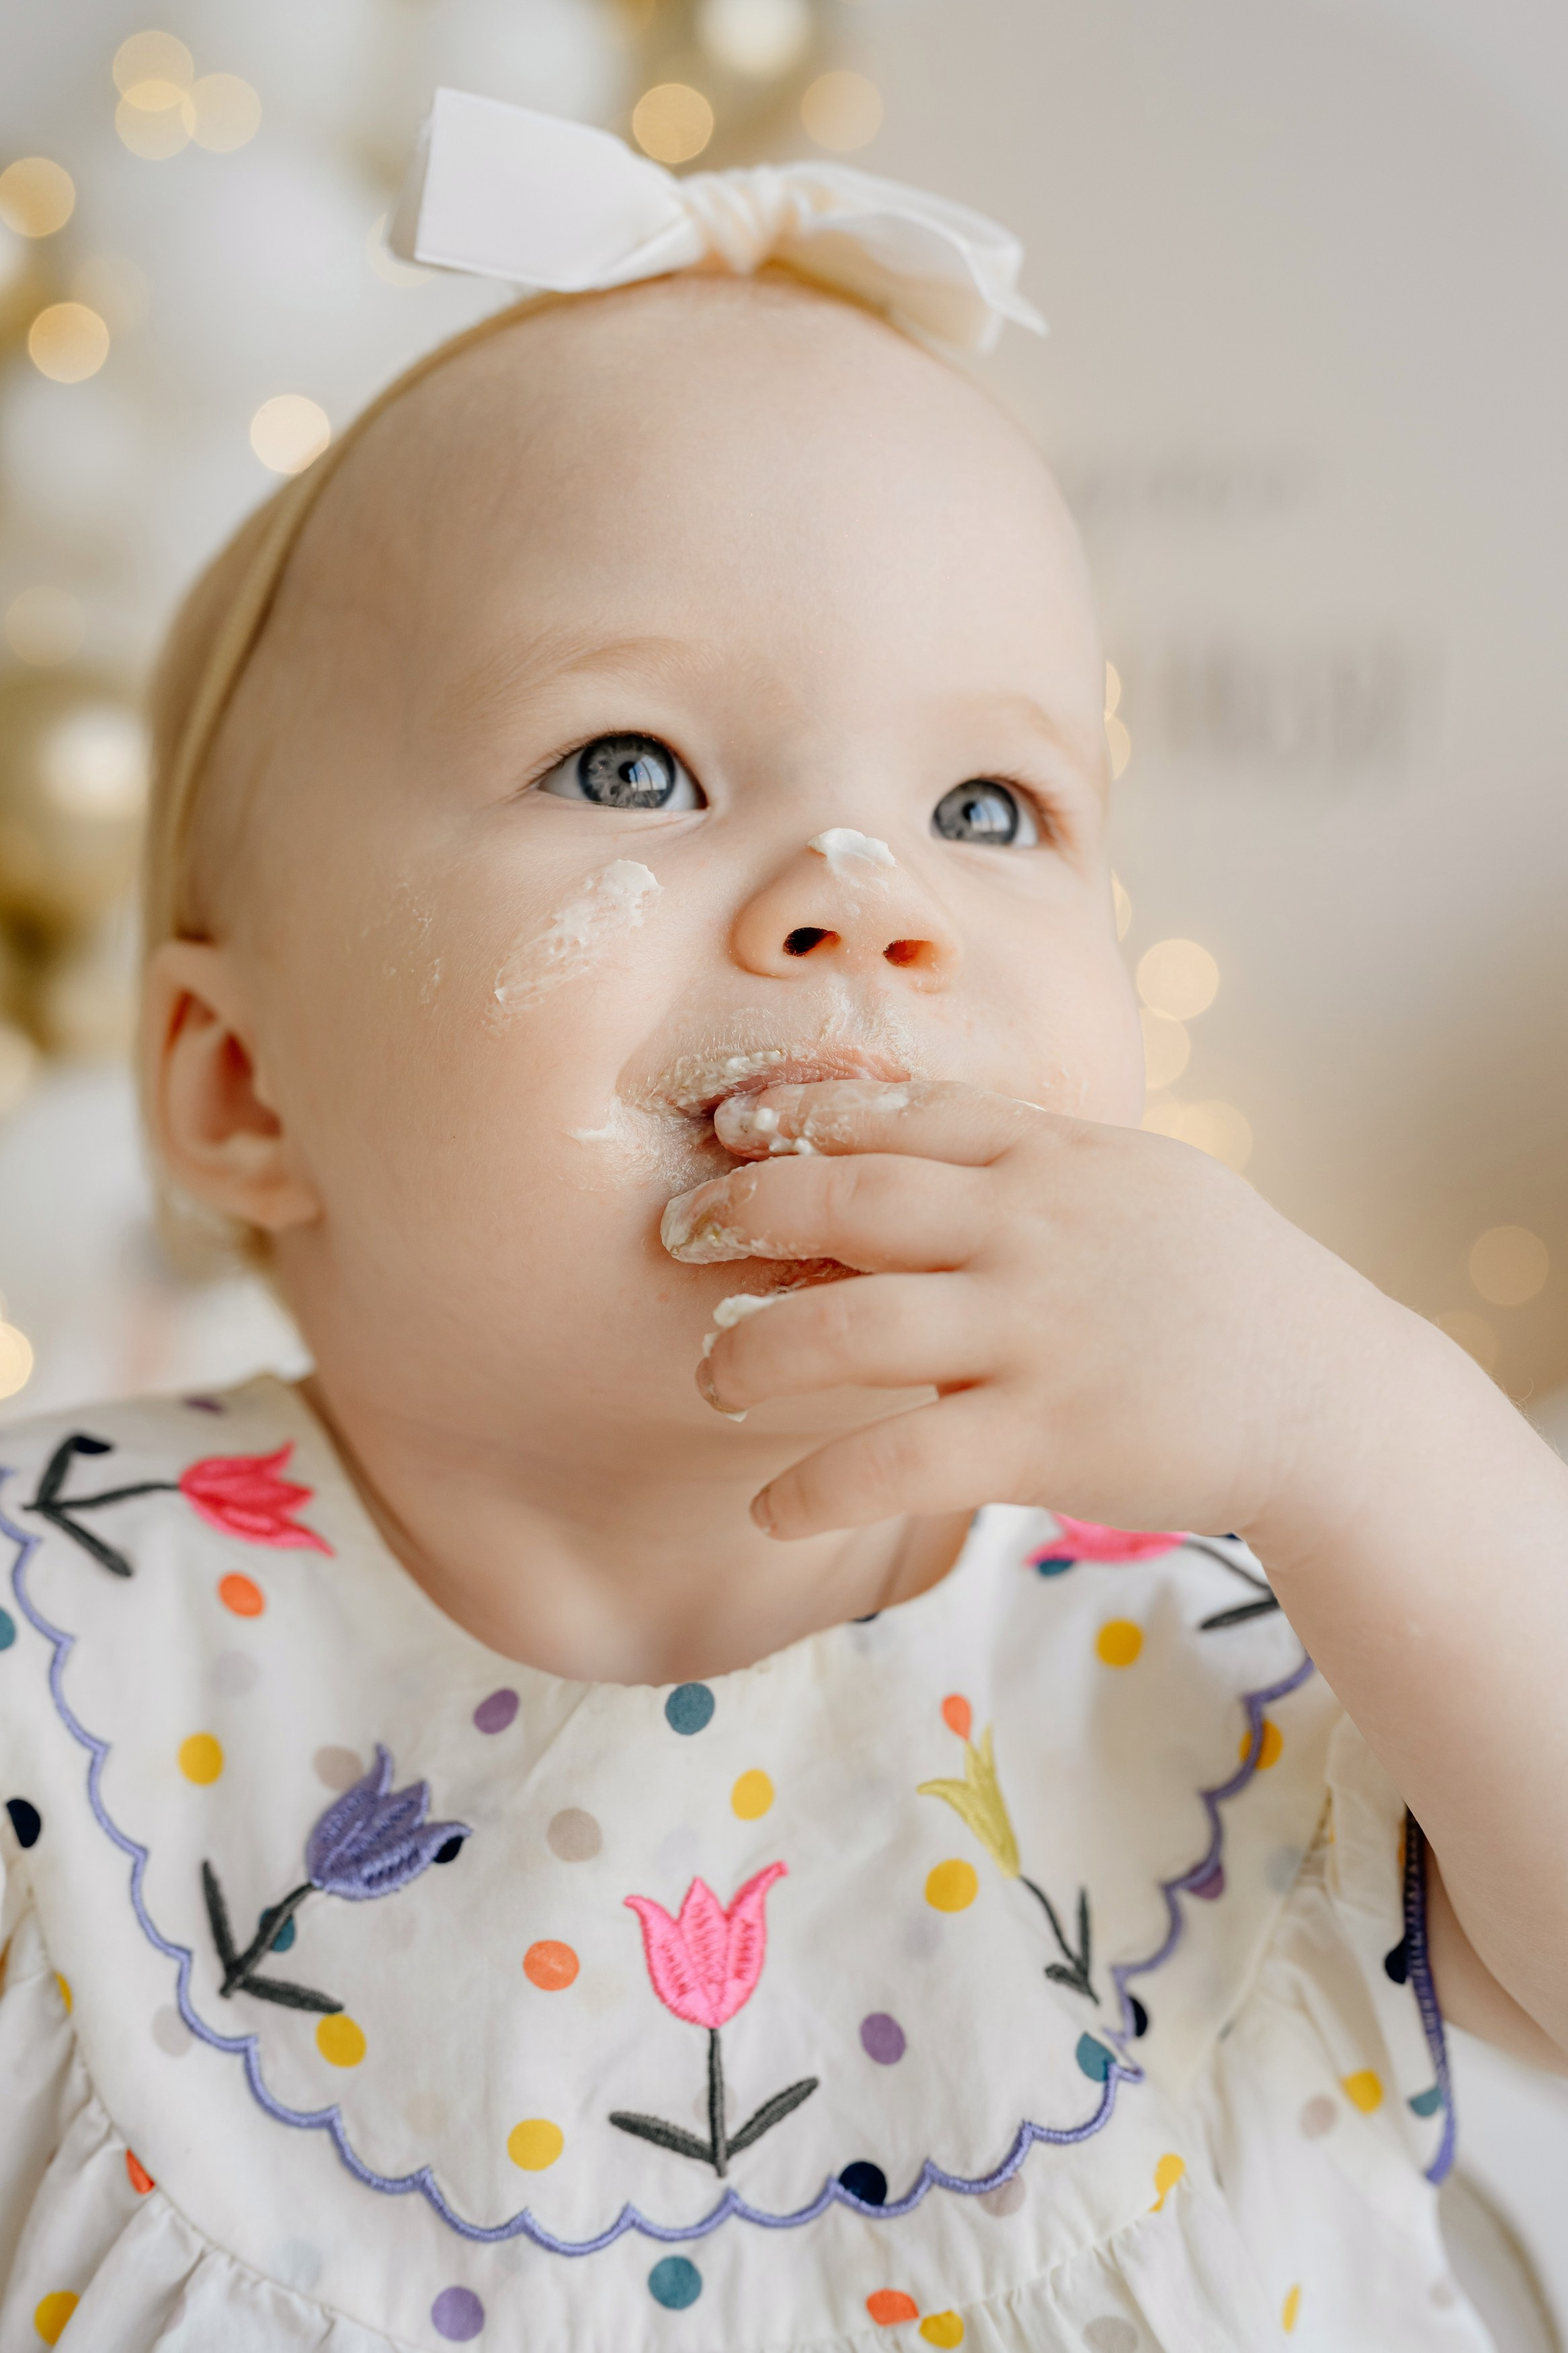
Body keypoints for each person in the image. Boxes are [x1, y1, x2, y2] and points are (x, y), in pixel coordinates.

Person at [1, 97, 1564, 2353]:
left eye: (988, 803)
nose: (866, 896)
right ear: (249, 1089)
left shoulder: (1271, 1644)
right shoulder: (74, 1650)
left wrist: (1359, 1420)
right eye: (631, 765)